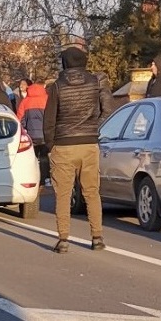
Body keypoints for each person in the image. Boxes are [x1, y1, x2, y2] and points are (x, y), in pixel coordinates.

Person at [43, 46, 114, 254]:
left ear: (65, 63)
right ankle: (97, 237)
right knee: (92, 193)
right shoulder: (95, 82)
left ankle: (63, 239)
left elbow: (49, 119)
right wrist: (93, 130)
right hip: (89, 144)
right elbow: (106, 109)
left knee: (63, 195)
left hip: (63, 145)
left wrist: (50, 145)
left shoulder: (57, 86)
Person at [16, 75, 50, 185]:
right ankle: (45, 178)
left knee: (32, 158)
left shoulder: (25, 101)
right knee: (44, 157)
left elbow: (19, 119)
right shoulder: (47, 99)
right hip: (45, 134)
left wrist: (25, 129)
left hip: (31, 135)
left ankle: (34, 178)